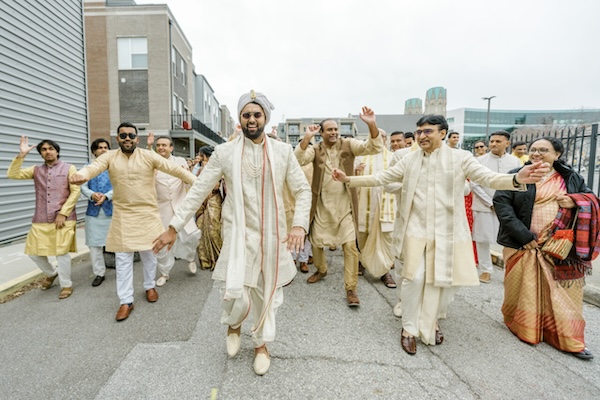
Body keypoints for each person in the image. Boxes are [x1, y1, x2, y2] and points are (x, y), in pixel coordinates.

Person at [331, 114, 550, 355]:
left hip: (447, 231)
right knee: (413, 279)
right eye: (419, 132)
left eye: (427, 131)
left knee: (440, 281)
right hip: (415, 228)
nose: (421, 136)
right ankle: (409, 328)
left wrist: (516, 178)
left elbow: (487, 178)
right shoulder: (410, 159)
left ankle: (431, 321)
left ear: (442, 133)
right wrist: (349, 179)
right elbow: (384, 178)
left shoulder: (461, 157)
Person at [152, 90, 311, 375]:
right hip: (238, 235)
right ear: (240, 118)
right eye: (246, 115)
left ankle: (261, 345)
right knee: (236, 292)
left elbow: (302, 189)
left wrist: (299, 224)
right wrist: (174, 226)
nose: (252, 119)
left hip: (273, 236)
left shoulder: (283, 151)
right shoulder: (225, 152)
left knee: (265, 293)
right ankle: (234, 325)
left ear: (265, 117)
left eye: (257, 114)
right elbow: (199, 190)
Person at [69, 122, 196, 321]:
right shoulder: (109, 157)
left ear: (137, 139)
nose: (127, 138)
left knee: (150, 254)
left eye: (131, 135)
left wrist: (198, 184)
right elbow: (93, 168)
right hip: (123, 214)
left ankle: (149, 286)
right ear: (117, 139)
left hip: (147, 213)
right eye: (123, 135)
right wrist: (81, 175)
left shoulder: (149, 156)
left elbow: (175, 170)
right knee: (123, 260)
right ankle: (126, 301)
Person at [493, 137, 598, 360]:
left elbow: (591, 199)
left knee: (564, 295)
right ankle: (526, 327)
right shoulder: (516, 174)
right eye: (533, 150)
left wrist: (573, 200)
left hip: (559, 246)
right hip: (523, 244)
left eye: (543, 150)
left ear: (557, 154)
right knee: (524, 288)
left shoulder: (571, 178)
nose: (537, 153)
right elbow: (502, 205)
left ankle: (569, 339)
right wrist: (523, 235)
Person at [295, 108, 384, 307]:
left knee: (350, 246)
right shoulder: (316, 149)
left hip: (345, 206)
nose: (334, 132)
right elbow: (299, 158)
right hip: (322, 205)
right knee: (316, 243)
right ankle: (321, 269)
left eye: (336, 129)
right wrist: (307, 136)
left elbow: (373, 148)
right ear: (322, 133)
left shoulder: (348, 144)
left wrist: (370, 124)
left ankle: (351, 288)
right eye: (329, 130)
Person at [7, 137, 80, 299]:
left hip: (64, 219)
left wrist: (63, 213)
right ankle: (51, 273)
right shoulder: (36, 170)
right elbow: (13, 174)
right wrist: (21, 155)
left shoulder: (69, 168)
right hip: (40, 219)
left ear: (57, 151)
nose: (48, 151)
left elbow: (75, 191)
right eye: (44, 149)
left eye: (51, 148)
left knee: (61, 253)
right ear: (41, 154)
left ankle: (66, 285)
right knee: (34, 253)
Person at [147, 133, 200, 286]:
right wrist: (149, 147)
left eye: (164, 145)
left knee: (191, 236)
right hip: (161, 208)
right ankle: (165, 272)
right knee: (162, 243)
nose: (161, 147)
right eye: (159, 145)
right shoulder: (152, 162)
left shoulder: (180, 161)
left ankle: (190, 257)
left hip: (181, 205)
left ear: (171, 147)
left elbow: (188, 180)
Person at [471, 131, 521, 283]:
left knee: (510, 240)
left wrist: (507, 204)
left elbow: (518, 183)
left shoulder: (515, 162)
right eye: (492, 141)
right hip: (485, 206)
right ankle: (486, 270)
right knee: (482, 239)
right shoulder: (479, 161)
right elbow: (474, 184)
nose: (493, 144)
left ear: (507, 143)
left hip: (508, 208)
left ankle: (510, 271)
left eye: (498, 141)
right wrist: (491, 203)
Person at [355, 130, 397, 289]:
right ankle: (362, 262)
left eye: (382, 137)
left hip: (387, 205)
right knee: (363, 237)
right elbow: (350, 178)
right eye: (375, 137)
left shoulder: (393, 157)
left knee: (386, 239)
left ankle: (384, 271)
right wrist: (356, 171)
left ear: (385, 140)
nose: (379, 140)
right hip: (365, 203)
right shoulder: (361, 156)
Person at [80, 138, 113, 287]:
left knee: (117, 243)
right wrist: (92, 194)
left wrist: (107, 196)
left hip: (112, 210)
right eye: (99, 147)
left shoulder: (114, 167)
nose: (103, 150)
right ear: (93, 151)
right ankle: (99, 273)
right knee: (94, 245)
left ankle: (123, 270)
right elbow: (82, 186)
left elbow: (121, 186)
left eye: (106, 147)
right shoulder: (87, 168)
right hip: (93, 212)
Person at [194, 145, 223, 271]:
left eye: (201, 155)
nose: (199, 158)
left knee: (213, 229)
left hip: (213, 200)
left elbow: (218, 185)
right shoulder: (200, 169)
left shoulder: (217, 167)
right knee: (201, 228)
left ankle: (219, 259)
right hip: (202, 201)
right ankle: (205, 260)